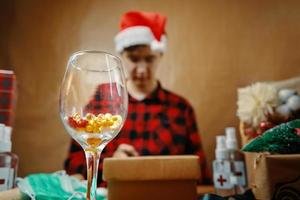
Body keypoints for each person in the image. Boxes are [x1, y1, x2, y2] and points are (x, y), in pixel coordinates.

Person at [64, 10, 211, 185]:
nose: (142, 70)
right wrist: (111, 165)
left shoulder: (181, 108)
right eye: (134, 59)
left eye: (149, 59)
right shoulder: (100, 101)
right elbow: (73, 167)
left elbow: (200, 174)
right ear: (123, 57)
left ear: (160, 56)